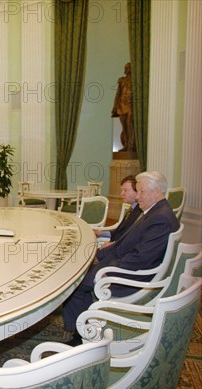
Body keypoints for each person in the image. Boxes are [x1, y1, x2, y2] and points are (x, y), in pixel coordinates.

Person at [62, 171, 179, 345]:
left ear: (157, 192)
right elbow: (125, 244)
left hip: (129, 277)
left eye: (141, 192)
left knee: (73, 284)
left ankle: (82, 337)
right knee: (79, 274)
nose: (138, 197)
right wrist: (99, 256)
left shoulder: (160, 218)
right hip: (123, 266)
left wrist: (104, 268)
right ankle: (87, 328)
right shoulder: (155, 211)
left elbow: (140, 259)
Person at [94, 174, 142, 246]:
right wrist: (101, 233)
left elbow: (130, 239)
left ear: (137, 191)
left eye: (125, 190)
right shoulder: (132, 208)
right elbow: (121, 231)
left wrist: (112, 244)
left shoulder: (140, 212)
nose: (121, 194)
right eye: (122, 190)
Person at [112, 62, 136, 152]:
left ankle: (131, 145)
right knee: (124, 127)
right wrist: (114, 106)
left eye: (129, 67)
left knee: (130, 125)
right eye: (126, 67)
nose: (127, 69)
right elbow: (118, 94)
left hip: (130, 105)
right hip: (121, 105)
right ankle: (126, 145)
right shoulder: (122, 80)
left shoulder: (135, 80)